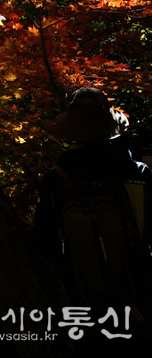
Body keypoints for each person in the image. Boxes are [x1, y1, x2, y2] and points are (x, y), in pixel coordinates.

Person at [34, 88, 152, 355]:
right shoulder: (138, 174)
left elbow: (44, 243)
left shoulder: (57, 180)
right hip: (138, 290)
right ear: (109, 126)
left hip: (80, 294)